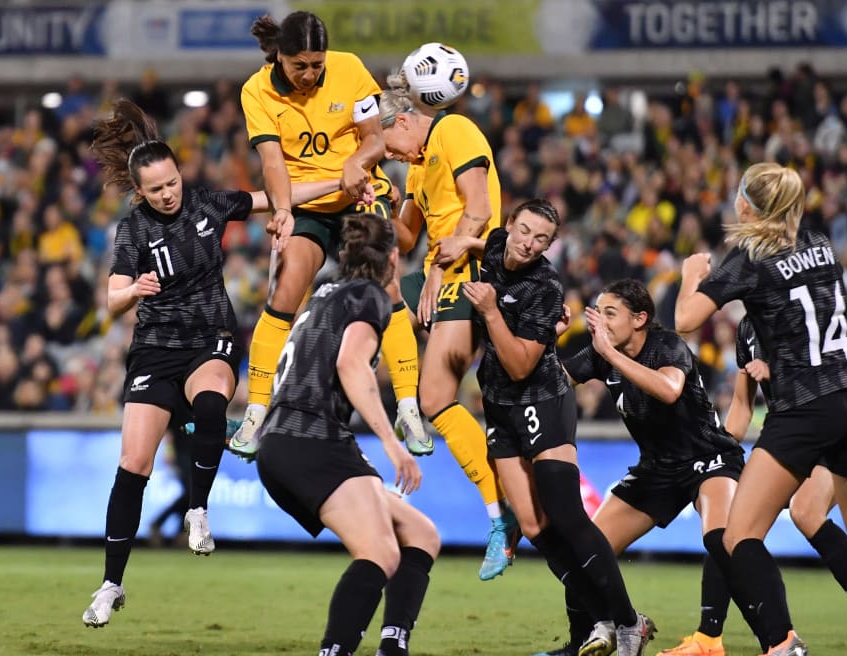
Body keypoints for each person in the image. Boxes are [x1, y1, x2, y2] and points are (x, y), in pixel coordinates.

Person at [82, 99, 347, 628]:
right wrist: (133, 289)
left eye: (171, 182)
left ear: (180, 173)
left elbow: (274, 196)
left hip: (212, 338)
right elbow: (109, 299)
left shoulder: (207, 205)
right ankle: (111, 583)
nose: (167, 193)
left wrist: (344, 180)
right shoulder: (133, 231)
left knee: (210, 406)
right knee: (134, 465)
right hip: (156, 348)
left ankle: (197, 510)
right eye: (156, 189)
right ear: (140, 191)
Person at [673, 162, 847, 656]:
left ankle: (782, 643)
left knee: (739, 535)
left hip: (806, 405)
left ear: (747, 205)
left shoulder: (750, 256)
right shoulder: (821, 243)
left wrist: (690, 276)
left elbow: (686, 319)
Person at [233, 11, 428, 463]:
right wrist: (283, 210)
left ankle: (407, 406)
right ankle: (256, 411)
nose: (310, 74)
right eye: (300, 65)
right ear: (279, 57)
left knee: (390, 287)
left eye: (317, 65)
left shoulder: (349, 68)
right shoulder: (256, 91)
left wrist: (355, 163)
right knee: (285, 292)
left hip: (359, 194)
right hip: (308, 207)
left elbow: (374, 140)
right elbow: (273, 163)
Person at [464, 200, 655, 656]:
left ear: (551, 245)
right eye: (524, 231)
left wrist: (491, 311)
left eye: (541, 239)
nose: (528, 243)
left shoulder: (546, 286)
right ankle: (603, 623)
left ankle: (627, 622)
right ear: (508, 225)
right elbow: (461, 247)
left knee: (566, 516)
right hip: (498, 407)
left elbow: (518, 366)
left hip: (542, 399)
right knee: (532, 524)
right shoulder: (491, 246)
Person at [256, 212, 440, 656]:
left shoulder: (325, 292)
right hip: (312, 438)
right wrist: (395, 447)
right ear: (394, 257)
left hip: (285, 440)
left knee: (421, 534)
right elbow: (350, 364)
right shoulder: (369, 297)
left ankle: (393, 644)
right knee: (380, 553)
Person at [531, 278, 743, 656]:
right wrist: (549, 340)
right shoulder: (601, 353)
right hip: (656, 470)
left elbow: (669, 389)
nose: (600, 321)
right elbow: (553, 382)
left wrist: (611, 356)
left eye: (610, 313)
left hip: (708, 457)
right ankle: (593, 637)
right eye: (598, 311)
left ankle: (726, 639)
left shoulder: (667, 345)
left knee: (723, 539)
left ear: (640, 318)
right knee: (586, 551)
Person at [661, 316, 847, 655]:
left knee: (805, 511)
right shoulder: (747, 328)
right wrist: (721, 450)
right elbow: (742, 404)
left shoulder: (804, 313)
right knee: (732, 521)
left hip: (834, 431)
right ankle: (708, 638)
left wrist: (780, 375)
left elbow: (831, 378)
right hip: (790, 438)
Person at [379, 79, 519, 580]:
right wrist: (375, 197)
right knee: (365, 295)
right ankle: (404, 407)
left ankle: (500, 513)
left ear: (398, 122)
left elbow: (479, 211)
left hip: (474, 269)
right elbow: (404, 234)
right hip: (446, 267)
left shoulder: (453, 129)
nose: (389, 155)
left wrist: (437, 270)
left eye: (385, 146)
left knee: (438, 397)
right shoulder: (415, 169)